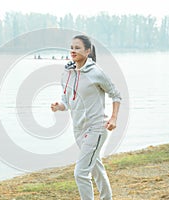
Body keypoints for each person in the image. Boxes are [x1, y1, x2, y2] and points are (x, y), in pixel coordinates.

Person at [51, 35, 121, 200]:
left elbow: (116, 95)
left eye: (77, 48)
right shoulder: (67, 73)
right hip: (78, 129)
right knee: (96, 167)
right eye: (72, 47)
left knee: (81, 173)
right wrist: (59, 106)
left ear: (88, 51)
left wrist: (113, 118)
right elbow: (66, 101)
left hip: (96, 128)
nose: (73, 51)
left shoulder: (96, 72)